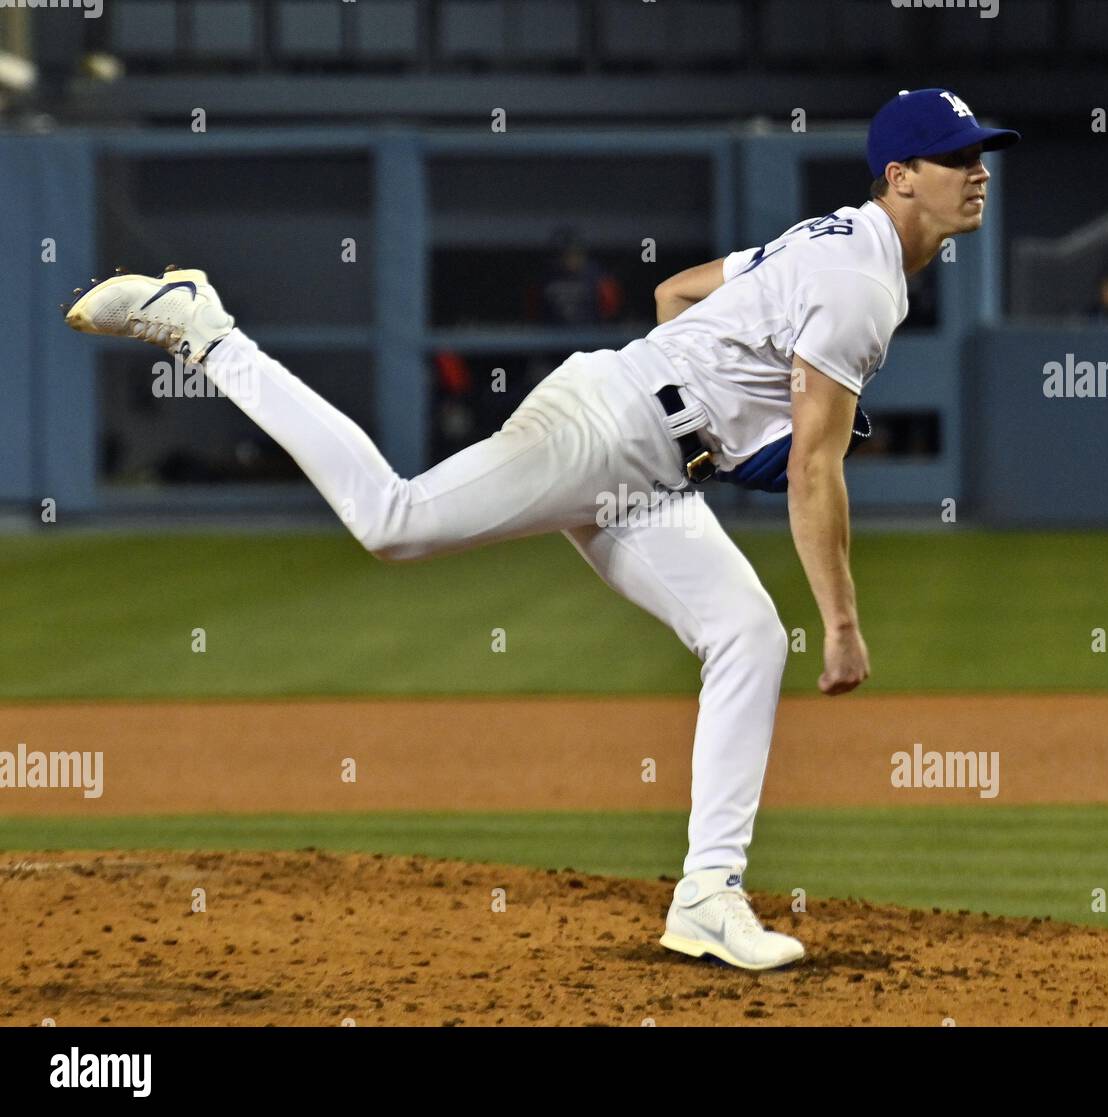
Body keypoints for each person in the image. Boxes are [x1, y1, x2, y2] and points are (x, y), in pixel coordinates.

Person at [62, 88, 1018, 971]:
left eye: (980, 152)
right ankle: (207, 331)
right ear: (901, 176)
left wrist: (719, 424)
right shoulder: (862, 279)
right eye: (956, 156)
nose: (978, 169)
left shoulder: (846, 244)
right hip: (608, 428)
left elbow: (677, 294)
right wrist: (843, 622)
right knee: (392, 520)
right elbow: (816, 467)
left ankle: (705, 897)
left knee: (748, 635)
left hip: (649, 460)